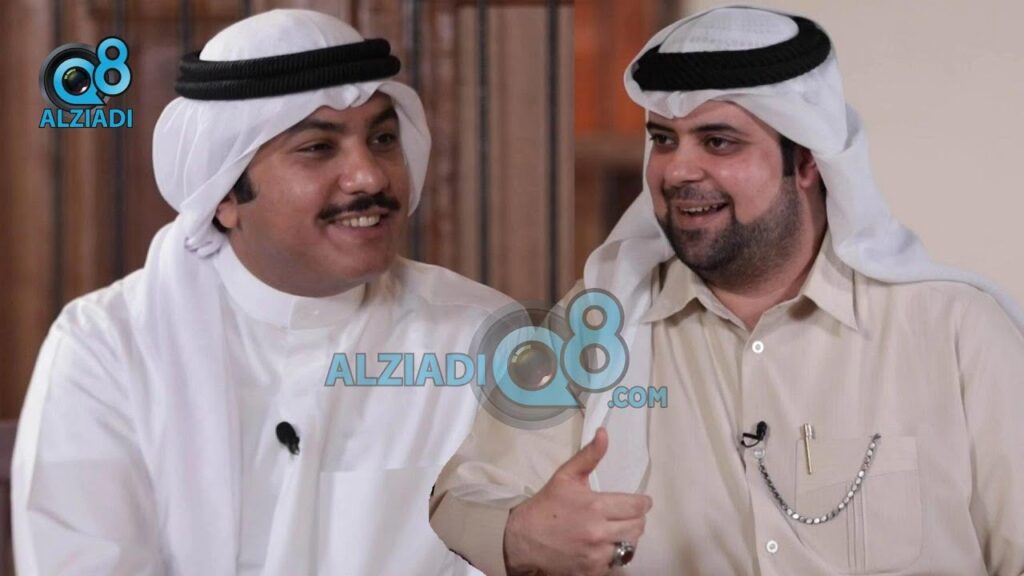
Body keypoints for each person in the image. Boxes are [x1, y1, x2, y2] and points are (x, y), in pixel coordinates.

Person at [429, 6, 1024, 575]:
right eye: (664, 140)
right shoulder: (602, 320)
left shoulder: (954, 331)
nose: (676, 170)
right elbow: (462, 495)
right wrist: (522, 534)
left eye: (717, 142)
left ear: (807, 161)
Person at [12, 9, 515, 575]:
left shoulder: (486, 341)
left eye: (382, 139)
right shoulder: (106, 350)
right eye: (318, 148)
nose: (371, 177)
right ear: (225, 196)